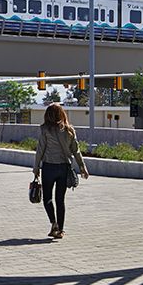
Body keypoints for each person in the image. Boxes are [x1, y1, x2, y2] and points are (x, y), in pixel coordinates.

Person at [33, 102, 88, 238]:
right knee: (60, 200)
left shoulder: (45, 129)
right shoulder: (69, 130)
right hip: (64, 168)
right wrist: (82, 167)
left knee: (47, 198)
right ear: (62, 114)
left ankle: (54, 223)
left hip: (49, 167)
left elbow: (40, 149)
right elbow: (76, 150)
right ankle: (61, 230)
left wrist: (36, 167)